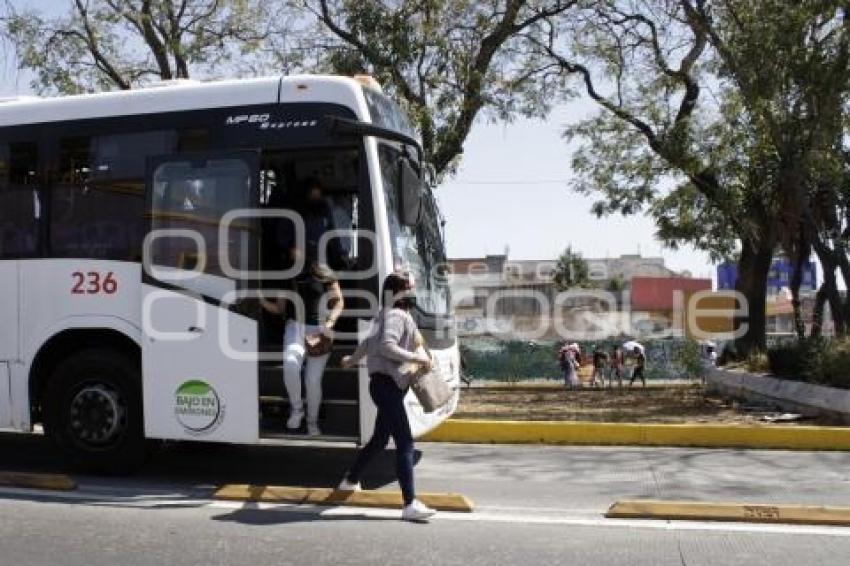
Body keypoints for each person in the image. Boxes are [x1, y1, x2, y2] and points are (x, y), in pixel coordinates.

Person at [337, 272, 437, 522]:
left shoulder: (385, 314)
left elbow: (368, 344)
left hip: (385, 386)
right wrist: (419, 358)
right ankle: (410, 504)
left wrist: (351, 360)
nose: (414, 290)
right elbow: (385, 347)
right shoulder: (395, 315)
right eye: (411, 287)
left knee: (380, 439)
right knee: (405, 443)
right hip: (387, 387)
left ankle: (349, 481)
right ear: (400, 292)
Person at [260, 248, 343, 436]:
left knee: (313, 381)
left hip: (320, 330)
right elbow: (280, 308)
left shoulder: (323, 272)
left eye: (297, 248)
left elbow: (339, 302)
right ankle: (297, 409)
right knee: (290, 365)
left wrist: (330, 323)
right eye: (291, 249)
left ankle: (312, 422)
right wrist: (261, 300)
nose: (294, 253)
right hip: (295, 327)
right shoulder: (286, 275)